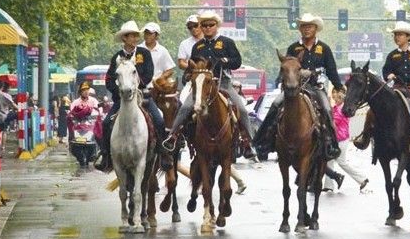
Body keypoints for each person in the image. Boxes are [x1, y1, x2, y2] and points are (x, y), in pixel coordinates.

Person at [162, 10, 256, 160]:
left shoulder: (227, 42)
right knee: (185, 107)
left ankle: (247, 143)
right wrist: (188, 73)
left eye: (210, 25)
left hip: (223, 84)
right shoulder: (198, 46)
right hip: (202, 87)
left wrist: (225, 60)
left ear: (216, 25)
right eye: (204, 25)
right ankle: (173, 136)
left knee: (242, 109)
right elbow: (192, 66)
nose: (207, 28)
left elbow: (237, 62)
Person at [253, 12, 343, 160]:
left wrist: (339, 86)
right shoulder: (293, 48)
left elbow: (331, 70)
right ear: (300, 29)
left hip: (315, 87)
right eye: (304, 26)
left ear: (315, 29)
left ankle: (331, 144)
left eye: (310, 26)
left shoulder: (324, 48)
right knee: (276, 104)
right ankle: (263, 142)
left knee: (327, 109)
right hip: (294, 88)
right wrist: (279, 79)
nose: (307, 29)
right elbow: (286, 66)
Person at [355, 20, 410, 157]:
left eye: (400, 35)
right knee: (373, 109)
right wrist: (389, 74)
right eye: (395, 35)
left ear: (408, 37)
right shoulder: (392, 55)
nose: (397, 37)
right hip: (398, 87)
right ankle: (365, 136)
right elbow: (385, 70)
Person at [95, 20, 164, 172]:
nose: (134, 38)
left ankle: (163, 153)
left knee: (159, 120)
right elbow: (109, 79)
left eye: (135, 35)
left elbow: (149, 73)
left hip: (142, 96)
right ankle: (105, 154)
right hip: (122, 98)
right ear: (124, 38)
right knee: (106, 123)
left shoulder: (144, 53)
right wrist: (118, 91)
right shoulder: (116, 57)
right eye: (131, 36)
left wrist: (136, 87)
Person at [324, 88, 372, 193]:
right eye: (334, 96)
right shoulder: (336, 107)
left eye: (337, 97)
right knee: (329, 161)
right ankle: (328, 186)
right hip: (337, 139)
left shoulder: (341, 109)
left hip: (340, 139)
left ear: (342, 97)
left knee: (342, 162)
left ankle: (362, 179)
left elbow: (333, 122)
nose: (335, 98)